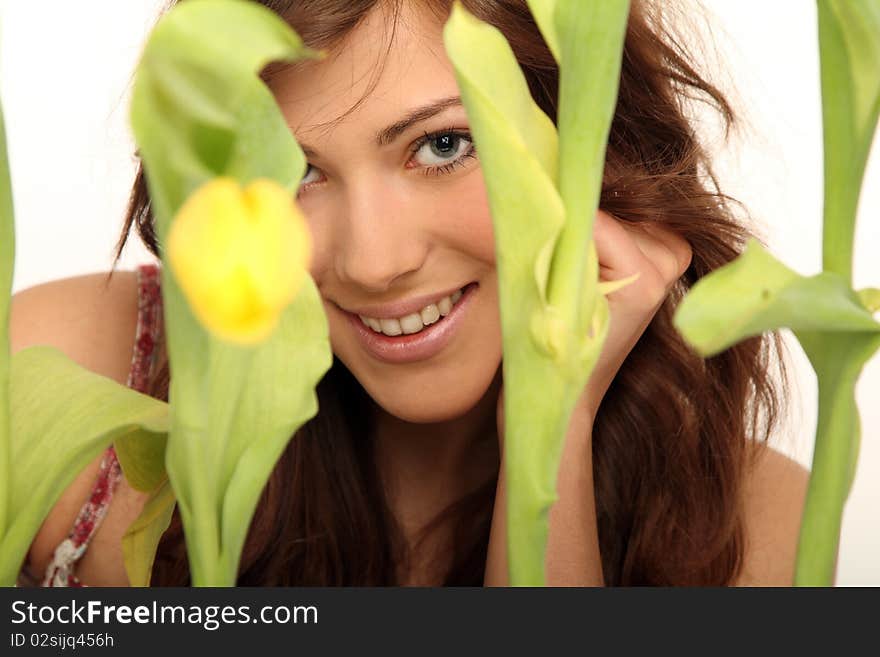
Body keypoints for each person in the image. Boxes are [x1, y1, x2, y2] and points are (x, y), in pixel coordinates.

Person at [11, 0, 809, 587]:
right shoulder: (65, 373)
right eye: (295, 172)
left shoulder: (755, 514)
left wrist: (554, 416)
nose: (374, 261)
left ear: (590, 140)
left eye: (443, 144)